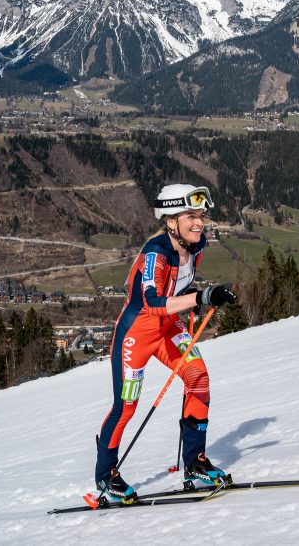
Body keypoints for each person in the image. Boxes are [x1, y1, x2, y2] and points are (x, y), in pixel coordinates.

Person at [94, 184, 237, 504]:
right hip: (137, 334)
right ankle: (105, 475)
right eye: (191, 216)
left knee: (197, 376)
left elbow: (178, 287)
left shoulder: (197, 245)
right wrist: (200, 297)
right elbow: (154, 302)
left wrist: (197, 296)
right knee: (126, 406)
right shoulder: (156, 253)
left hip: (168, 328)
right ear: (171, 221)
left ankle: (195, 461)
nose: (199, 223)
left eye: (201, 215)